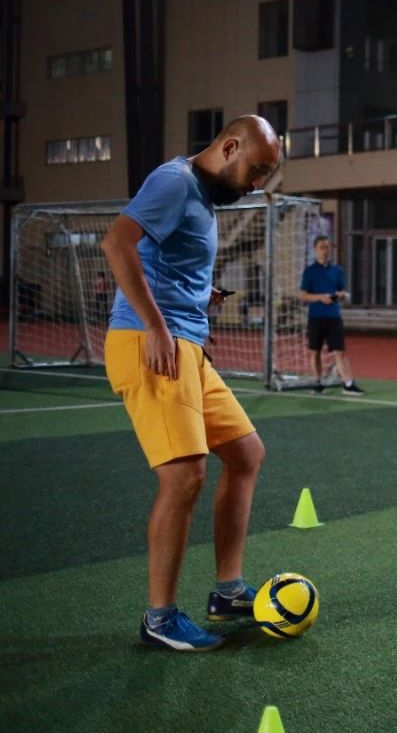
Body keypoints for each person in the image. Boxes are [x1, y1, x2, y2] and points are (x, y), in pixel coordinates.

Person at [100, 115, 282, 651]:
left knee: (247, 454)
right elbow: (118, 243)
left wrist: (199, 301)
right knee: (183, 479)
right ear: (229, 147)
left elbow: (166, 265)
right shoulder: (175, 181)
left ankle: (227, 591)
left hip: (186, 344)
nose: (257, 184)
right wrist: (158, 325)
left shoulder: (200, 195)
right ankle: (160, 620)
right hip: (149, 343)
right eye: (256, 170)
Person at [299, 235, 365, 396]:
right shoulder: (309, 272)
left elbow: (342, 291)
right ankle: (318, 382)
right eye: (322, 247)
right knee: (315, 352)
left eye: (328, 247)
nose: (325, 250)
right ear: (315, 250)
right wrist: (321, 297)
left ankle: (348, 384)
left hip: (334, 317)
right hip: (316, 317)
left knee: (339, 351)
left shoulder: (337, 270)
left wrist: (339, 295)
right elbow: (303, 295)